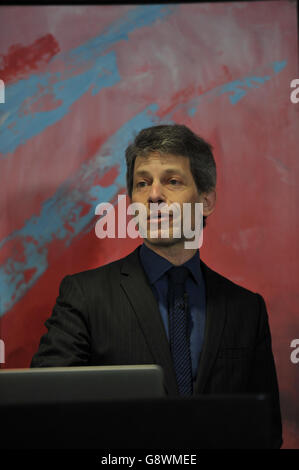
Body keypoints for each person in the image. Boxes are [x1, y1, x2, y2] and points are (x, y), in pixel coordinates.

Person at [30, 124, 282, 448]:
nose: (154, 195)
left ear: (206, 200)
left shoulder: (247, 309)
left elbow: (266, 431)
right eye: (142, 183)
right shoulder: (84, 296)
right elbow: (44, 413)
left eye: (172, 181)